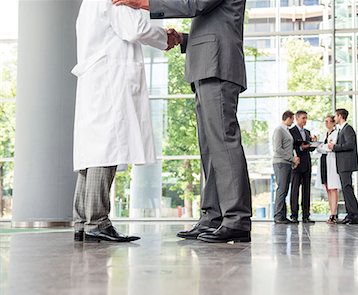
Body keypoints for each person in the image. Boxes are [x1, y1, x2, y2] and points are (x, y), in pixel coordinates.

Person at [112, 0, 252, 243]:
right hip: (207, 63)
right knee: (210, 150)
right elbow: (212, 21)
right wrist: (183, 39)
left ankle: (237, 219)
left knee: (223, 144)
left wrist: (143, 2)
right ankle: (213, 216)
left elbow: (194, 4)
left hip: (218, 64)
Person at [71, 0, 180, 242]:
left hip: (96, 75)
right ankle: (97, 222)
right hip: (111, 75)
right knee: (105, 150)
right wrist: (166, 36)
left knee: (92, 152)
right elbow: (134, 28)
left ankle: (81, 221)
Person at [328, 109, 358, 225]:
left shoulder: (348, 129)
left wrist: (335, 147)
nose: (334, 118)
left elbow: (350, 145)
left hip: (346, 164)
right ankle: (351, 214)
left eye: (336, 116)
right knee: (346, 189)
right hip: (343, 164)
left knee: (347, 188)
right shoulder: (342, 129)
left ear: (340, 116)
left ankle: (356, 215)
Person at [272, 111, 300, 224]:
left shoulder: (286, 130)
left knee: (284, 190)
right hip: (280, 163)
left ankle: (282, 216)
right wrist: (292, 158)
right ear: (287, 118)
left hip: (287, 163)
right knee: (281, 189)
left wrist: (293, 160)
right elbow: (278, 149)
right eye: (292, 119)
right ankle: (278, 215)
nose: (293, 121)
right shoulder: (279, 130)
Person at [289, 110, 316, 224]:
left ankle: (306, 215)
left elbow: (310, 148)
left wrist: (313, 143)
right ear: (297, 118)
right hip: (296, 163)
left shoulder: (307, 132)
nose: (305, 120)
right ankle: (294, 215)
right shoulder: (291, 132)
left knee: (307, 190)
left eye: (306, 118)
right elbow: (291, 146)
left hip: (306, 164)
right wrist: (301, 148)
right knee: (295, 190)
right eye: (303, 118)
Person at [315, 115, 341, 224]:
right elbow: (319, 148)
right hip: (324, 162)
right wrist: (324, 147)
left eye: (328, 121)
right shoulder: (324, 134)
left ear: (333, 123)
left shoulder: (336, 134)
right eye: (325, 121)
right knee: (327, 187)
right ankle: (331, 212)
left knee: (333, 188)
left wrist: (324, 147)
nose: (326, 123)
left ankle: (334, 214)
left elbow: (330, 147)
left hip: (332, 162)